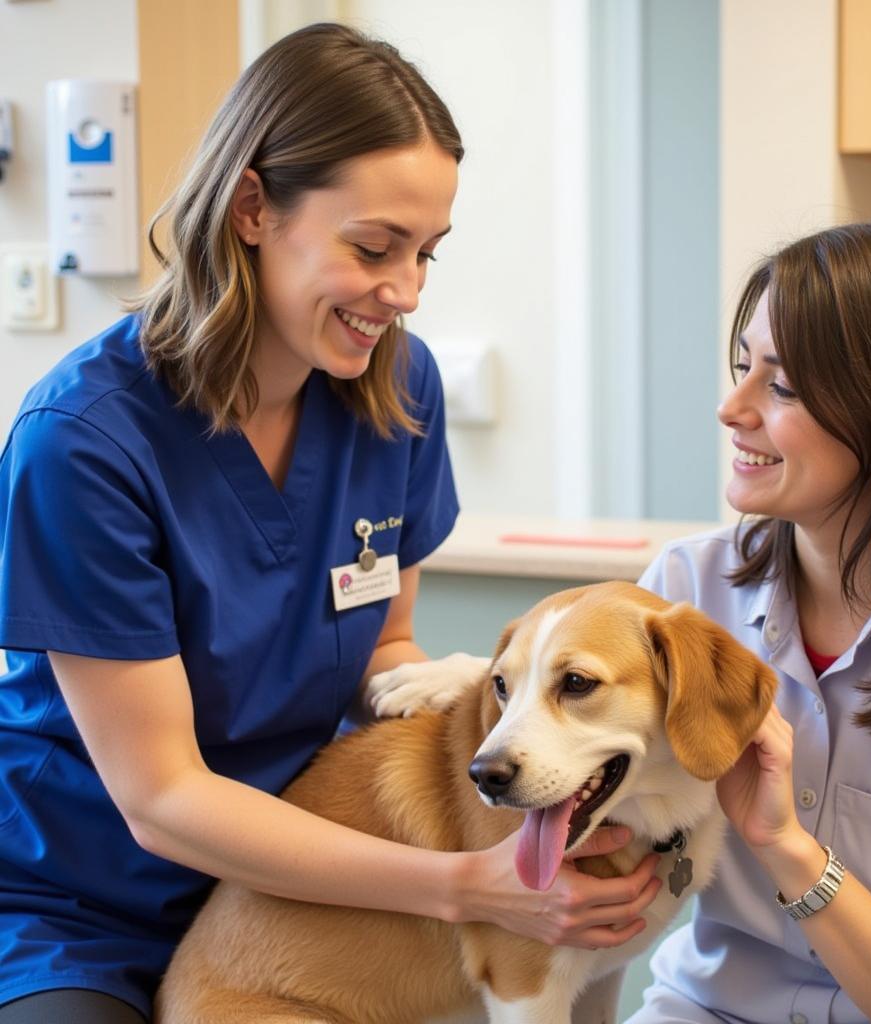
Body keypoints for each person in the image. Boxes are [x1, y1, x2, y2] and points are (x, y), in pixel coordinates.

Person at [0, 23, 659, 1023]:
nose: (404, 292)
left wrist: (515, 751)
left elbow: (381, 654)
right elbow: (163, 796)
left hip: (298, 876)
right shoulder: (83, 445)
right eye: (374, 247)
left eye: (427, 253)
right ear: (254, 207)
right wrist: (460, 882)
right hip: (84, 905)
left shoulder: (395, 391)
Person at [627, 213, 871, 1024]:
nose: (731, 408)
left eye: (782, 386)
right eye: (742, 368)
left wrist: (787, 850)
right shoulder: (683, 591)